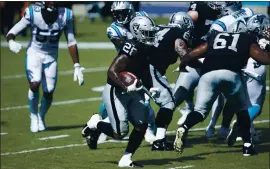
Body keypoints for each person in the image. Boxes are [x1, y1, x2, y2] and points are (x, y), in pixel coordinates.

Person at [173, 20, 270, 156]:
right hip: (231, 74)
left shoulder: (215, 37)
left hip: (208, 75)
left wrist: (184, 63)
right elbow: (264, 58)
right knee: (242, 110)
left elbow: (192, 54)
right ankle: (247, 146)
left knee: (200, 111)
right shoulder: (247, 38)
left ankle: (184, 127)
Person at [82, 16, 158, 167]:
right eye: (146, 33)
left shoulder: (147, 48)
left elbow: (145, 70)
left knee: (141, 124)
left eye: (151, 32)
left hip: (133, 90)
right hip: (116, 90)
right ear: (137, 32)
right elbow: (111, 71)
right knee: (120, 132)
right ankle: (96, 123)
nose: (150, 36)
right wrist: (125, 87)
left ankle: (126, 159)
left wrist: (150, 87)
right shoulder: (131, 47)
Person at [6, 2, 84, 132]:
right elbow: (14, 30)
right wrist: (11, 40)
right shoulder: (33, 13)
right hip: (34, 54)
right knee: (35, 83)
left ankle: (41, 116)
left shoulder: (66, 15)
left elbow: (71, 41)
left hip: (51, 56)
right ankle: (33, 115)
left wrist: (77, 65)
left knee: (49, 90)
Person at [172, 2, 225, 135]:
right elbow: (186, 20)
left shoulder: (229, 12)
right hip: (196, 58)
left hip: (215, 60)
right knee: (175, 98)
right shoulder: (200, 7)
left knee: (219, 94)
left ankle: (214, 126)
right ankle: (156, 131)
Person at [148, 12, 194, 151]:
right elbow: (179, 48)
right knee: (168, 102)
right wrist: (189, 58)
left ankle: (94, 126)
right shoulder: (178, 32)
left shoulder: (159, 27)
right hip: (151, 69)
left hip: (141, 66)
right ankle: (159, 140)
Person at [226, 14, 270, 146]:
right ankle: (240, 124)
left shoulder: (242, 36)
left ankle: (250, 134)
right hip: (256, 69)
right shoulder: (261, 39)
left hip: (238, 70)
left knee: (245, 104)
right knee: (256, 106)